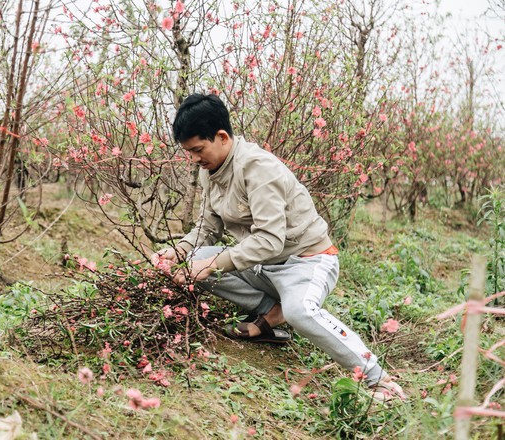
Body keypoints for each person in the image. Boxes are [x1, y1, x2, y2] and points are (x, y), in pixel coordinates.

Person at [151, 93, 406, 403]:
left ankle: (378, 379)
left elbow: (270, 240)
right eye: (188, 152)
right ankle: (272, 319)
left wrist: (216, 264)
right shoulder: (211, 172)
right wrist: (177, 253)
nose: (194, 159)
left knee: (300, 310)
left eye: (198, 150)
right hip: (263, 266)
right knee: (196, 259)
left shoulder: (257, 168)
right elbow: (208, 227)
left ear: (221, 137)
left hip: (306, 262)